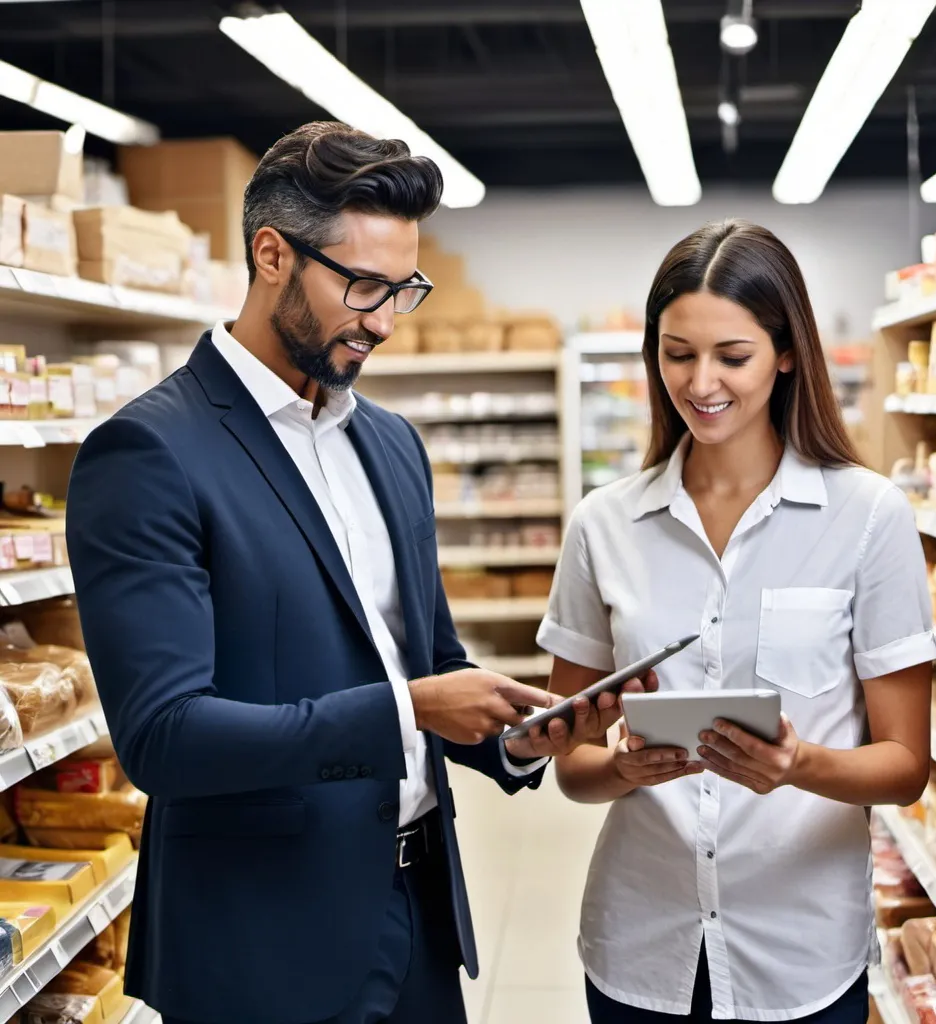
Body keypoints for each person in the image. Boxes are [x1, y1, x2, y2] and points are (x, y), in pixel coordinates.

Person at [65, 121, 633, 1024]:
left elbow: (430, 660)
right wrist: (408, 710)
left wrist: (519, 735)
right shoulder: (149, 451)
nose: (382, 320)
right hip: (263, 944)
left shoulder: (390, 443)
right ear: (271, 256)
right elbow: (164, 736)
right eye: (362, 285)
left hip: (415, 922)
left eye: (403, 288)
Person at [537, 220, 935, 1024]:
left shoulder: (865, 517)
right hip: (640, 944)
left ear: (786, 352)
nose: (701, 381)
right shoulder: (604, 524)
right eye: (678, 353)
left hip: (799, 954)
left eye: (733, 356)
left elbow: (905, 765)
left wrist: (798, 765)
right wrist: (620, 769)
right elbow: (569, 761)